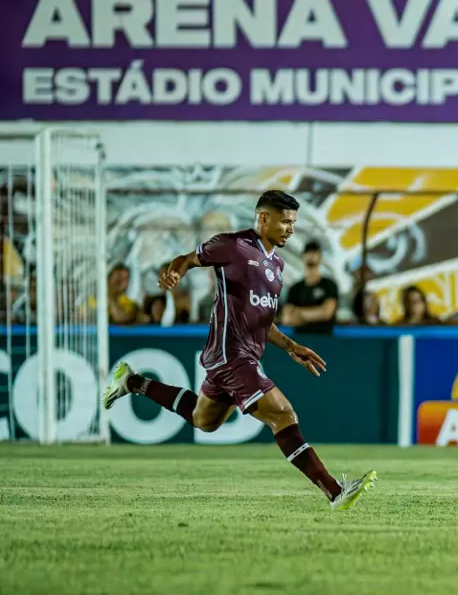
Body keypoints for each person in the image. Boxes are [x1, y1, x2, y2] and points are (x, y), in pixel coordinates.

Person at [101, 191, 376, 511]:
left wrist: (290, 346)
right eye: (285, 221)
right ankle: (334, 490)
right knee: (284, 415)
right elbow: (188, 259)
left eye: (294, 222)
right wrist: (175, 271)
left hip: (242, 356)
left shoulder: (277, 265)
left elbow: (263, 320)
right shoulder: (233, 246)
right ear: (263, 218)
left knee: (204, 420)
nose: (291, 228)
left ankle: (132, 382)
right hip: (230, 354)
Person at [281, 240, 339, 334]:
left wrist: (298, 313)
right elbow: (286, 318)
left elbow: (327, 313)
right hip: (300, 341)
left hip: (325, 339)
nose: (311, 255)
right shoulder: (295, 288)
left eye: (314, 252)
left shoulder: (329, 285)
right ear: (303, 256)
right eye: (308, 252)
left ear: (320, 257)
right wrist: (317, 312)